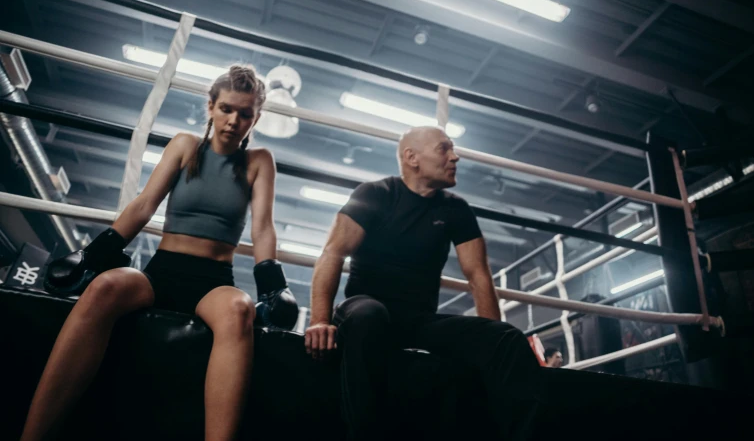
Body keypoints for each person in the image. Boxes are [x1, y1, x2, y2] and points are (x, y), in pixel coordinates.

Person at [21, 65, 289, 441]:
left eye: (245, 114)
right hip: (160, 271)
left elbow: (262, 227)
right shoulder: (184, 146)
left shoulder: (259, 162)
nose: (234, 121)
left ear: (255, 118)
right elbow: (145, 204)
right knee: (103, 287)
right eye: (227, 109)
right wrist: (91, 256)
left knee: (239, 309)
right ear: (210, 106)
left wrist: (273, 285)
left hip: (213, 282)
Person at [305, 126, 542, 441]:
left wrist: (488, 342)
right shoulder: (375, 194)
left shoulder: (455, 209)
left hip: (419, 320)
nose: (454, 156)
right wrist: (320, 320)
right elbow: (333, 254)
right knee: (370, 314)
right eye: (444, 148)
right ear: (411, 157)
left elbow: (478, 276)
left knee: (506, 338)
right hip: (363, 308)